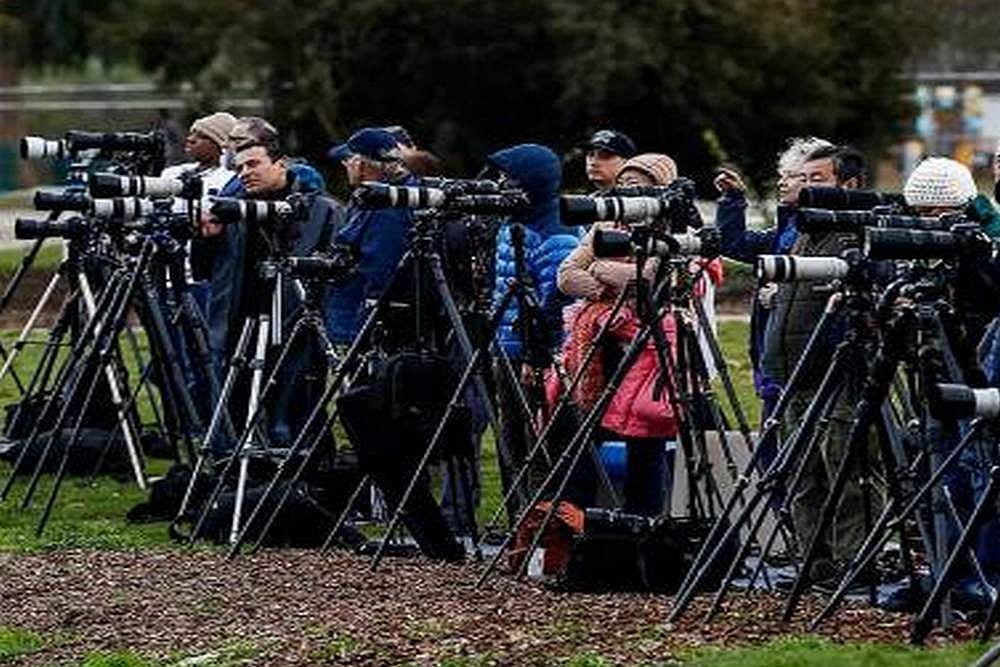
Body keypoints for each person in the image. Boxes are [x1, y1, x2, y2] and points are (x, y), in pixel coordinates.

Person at [201, 117, 342, 446]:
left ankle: (304, 473)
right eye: (240, 168)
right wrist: (206, 237)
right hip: (242, 320)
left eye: (253, 164)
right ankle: (238, 469)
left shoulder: (320, 209)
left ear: (280, 164)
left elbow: (337, 270)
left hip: (298, 325)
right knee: (237, 404)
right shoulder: (234, 211)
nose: (246, 172)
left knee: (297, 409)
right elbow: (207, 269)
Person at [557, 153, 680, 516]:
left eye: (639, 184)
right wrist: (606, 279)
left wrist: (595, 268)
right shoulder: (606, 223)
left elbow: (646, 278)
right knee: (583, 439)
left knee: (645, 440)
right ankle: (577, 526)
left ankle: (641, 527)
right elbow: (565, 276)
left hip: (647, 348)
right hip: (599, 347)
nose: (629, 192)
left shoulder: (670, 231)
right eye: (624, 184)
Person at [487, 143, 580, 516]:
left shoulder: (557, 234)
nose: (498, 184)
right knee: (511, 446)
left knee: (540, 448)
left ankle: (544, 529)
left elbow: (557, 305)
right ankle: (517, 527)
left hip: (537, 358)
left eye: (506, 178)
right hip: (507, 349)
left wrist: (538, 353)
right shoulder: (512, 226)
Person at [324, 127, 415, 344]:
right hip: (358, 321)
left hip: (361, 328)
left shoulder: (388, 210)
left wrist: (364, 334)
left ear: (361, 164)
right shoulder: (381, 199)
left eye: (348, 160)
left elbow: (379, 275)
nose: (346, 166)